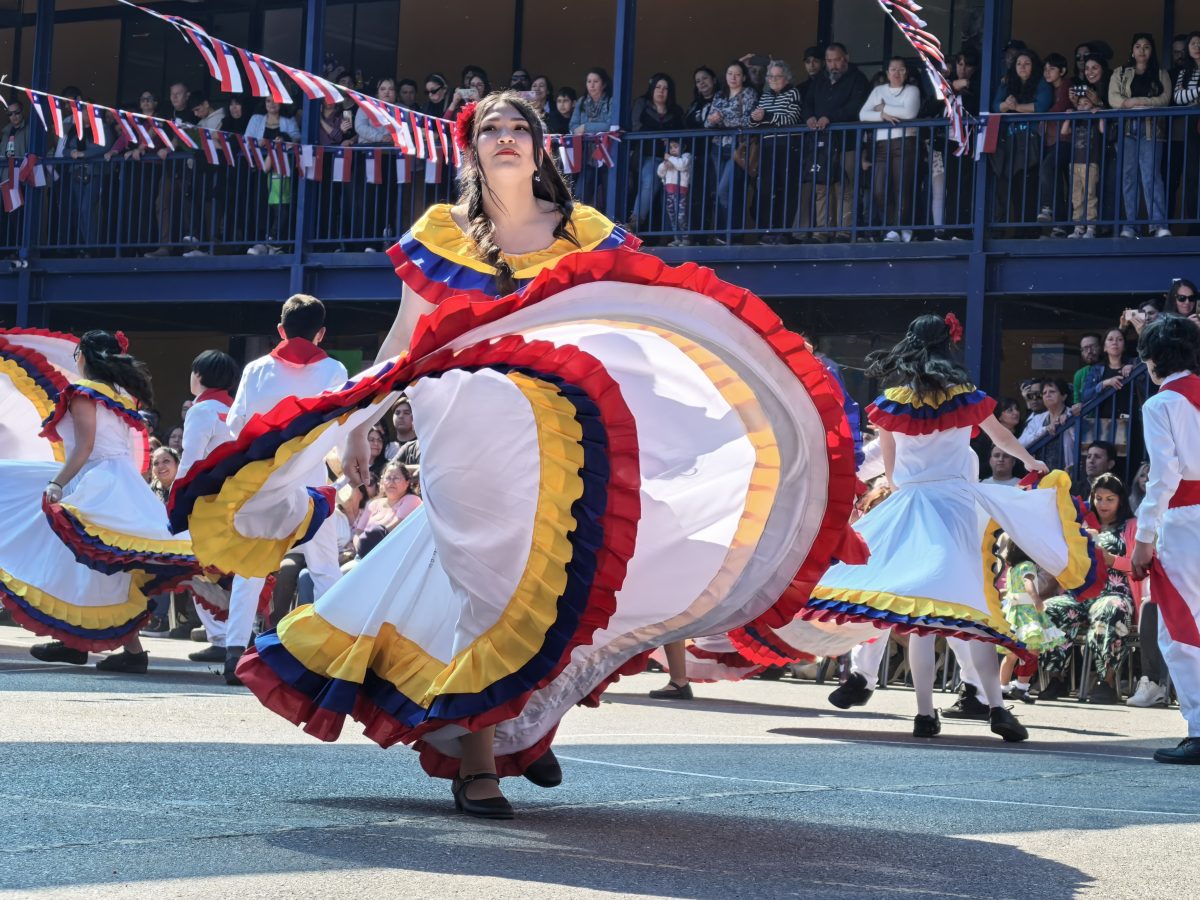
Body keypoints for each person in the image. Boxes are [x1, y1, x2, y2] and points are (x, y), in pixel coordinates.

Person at [171, 91, 859, 819]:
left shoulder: (587, 231)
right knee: (488, 580)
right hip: (462, 431)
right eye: (491, 129)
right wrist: (356, 423)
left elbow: (641, 319)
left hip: (558, 437)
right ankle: (479, 760)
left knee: (563, 575)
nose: (506, 138)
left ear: (540, 147)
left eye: (519, 128)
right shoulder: (441, 231)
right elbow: (407, 337)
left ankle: (516, 723)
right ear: (472, 151)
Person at [797, 314, 1101, 741]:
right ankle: (997, 708)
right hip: (957, 506)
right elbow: (1001, 437)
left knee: (922, 617)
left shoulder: (891, 403)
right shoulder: (964, 398)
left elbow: (892, 469)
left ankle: (924, 714)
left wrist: (903, 484)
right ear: (947, 347)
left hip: (911, 506)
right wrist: (1031, 462)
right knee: (970, 606)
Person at [0, 330, 199, 672]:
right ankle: (96, 646)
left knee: (93, 565)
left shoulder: (84, 392)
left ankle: (100, 646)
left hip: (96, 481)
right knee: (98, 568)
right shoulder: (120, 395)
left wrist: (56, 482)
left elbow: (85, 447)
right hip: (120, 483)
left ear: (83, 356)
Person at [218, 295, 348, 686]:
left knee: (251, 567)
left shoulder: (257, 369)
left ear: (280, 329)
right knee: (325, 568)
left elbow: (235, 427)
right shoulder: (334, 369)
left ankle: (233, 653)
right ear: (321, 333)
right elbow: (340, 426)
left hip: (264, 483)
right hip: (312, 482)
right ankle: (337, 656)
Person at [1130, 315, 1200, 762]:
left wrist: (1144, 534)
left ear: (1153, 361)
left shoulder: (1161, 404)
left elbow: (1165, 475)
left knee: (1180, 628)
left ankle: (1199, 728)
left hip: (1183, 519)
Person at [1041, 474, 1138, 703]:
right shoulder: (1081, 525)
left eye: (1109, 499)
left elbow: (1141, 566)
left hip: (1115, 592)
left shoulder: (1132, 526)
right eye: (1099, 498)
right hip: (1082, 592)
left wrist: (1112, 560)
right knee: (1051, 608)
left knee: (1110, 609)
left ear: (1120, 501)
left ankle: (1106, 680)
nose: (1103, 504)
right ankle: (1056, 678)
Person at [176, 349, 239, 662]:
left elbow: (191, 459)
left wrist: (177, 496)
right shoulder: (236, 409)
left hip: (204, 500)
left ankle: (220, 636)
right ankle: (234, 632)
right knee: (229, 569)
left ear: (198, 376)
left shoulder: (201, 411)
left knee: (196, 567)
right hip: (235, 498)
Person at [802, 43, 870, 242]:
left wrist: (830, 117)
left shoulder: (858, 79)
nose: (833, 65)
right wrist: (809, 117)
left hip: (847, 143)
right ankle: (822, 231)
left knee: (844, 188)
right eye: (829, 61)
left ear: (846, 58)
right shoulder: (820, 80)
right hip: (822, 144)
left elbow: (857, 107)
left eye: (837, 60)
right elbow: (807, 104)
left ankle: (843, 230)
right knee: (821, 188)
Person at [1109, 33, 1173, 239]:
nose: (1142, 50)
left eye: (1146, 47)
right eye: (1138, 46)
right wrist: (1134, 103)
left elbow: (1164, 98)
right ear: (1132, 50)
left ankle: (1158, 225)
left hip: (1151, 129)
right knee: (1128, 177)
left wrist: (1136, 101)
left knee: (1151, 176)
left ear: (1151, 51)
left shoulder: (1161, 73)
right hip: (1126, 130)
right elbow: (1113, 98)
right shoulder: (1120, 73)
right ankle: (1131, 225)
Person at [997, 535, 1066, 703]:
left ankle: (1002, 687)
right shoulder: (1028, 566)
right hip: (1027, 615)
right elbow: (1029, 584)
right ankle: (1021, 686)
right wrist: (1036, 599)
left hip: (1013, 613)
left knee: (1011, 654)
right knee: (1032, 652)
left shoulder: (1012, 569)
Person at [859, 56, 921, 243]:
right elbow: (863, 115)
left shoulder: (912, 90)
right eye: (893, 69)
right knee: (879, 189)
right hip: (882, 145)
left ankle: (902, 228)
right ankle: (895, 227)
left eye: (901, 70)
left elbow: (909, 113)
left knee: (902, 187)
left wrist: (883, 110)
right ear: (887, 73)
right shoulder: (879, 90)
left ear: (906, 72)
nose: (897, 73)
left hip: (905, 142)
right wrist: (883, 115)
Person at [992, 50, 1052, 232]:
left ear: (1033, 66)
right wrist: (1006, 104)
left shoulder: (1041, 83)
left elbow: (1041, 106)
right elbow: (995, 106)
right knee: (1016, 186)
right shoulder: (1008, 83)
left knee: (1031, 186)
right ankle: (1019, 229)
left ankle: (1031, 231)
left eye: (1027, 63)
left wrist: (1016, 107)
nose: (1023, 67)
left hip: (1032, 142)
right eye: (1019, 64)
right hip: (1012, 143)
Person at [704, 60, 758, 239]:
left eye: (737, 74)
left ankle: (732, 234)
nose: (733, 77)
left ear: (743, 77)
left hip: (738, 149)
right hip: (717, 148)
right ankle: (722, 234)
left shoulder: (749, 93)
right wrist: (715, 120)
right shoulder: (719, 95)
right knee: (719, 192)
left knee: (725, 190)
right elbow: (707, 123)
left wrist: (722, 118)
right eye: (730, 74)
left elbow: (748, 121)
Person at [752, 60, 804, 243]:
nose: (773, 80)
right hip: (767, 147)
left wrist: (766, 117)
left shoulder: (793, 93)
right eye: (770, 76)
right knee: (766, 189)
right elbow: (753, 123)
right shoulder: (764, 96)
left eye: (777, 76)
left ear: (786, 78)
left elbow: (791, 118)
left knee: (785, 189)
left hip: (786, 146)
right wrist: (755, 118)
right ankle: (767, 230)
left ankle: (784, 231)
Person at [628, 73, 684, 232]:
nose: (661, 91)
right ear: (652, 89)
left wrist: (671, 143)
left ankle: (670, 233)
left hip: (670, 160)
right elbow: (636, 128)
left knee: (671, 192)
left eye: (666, 88)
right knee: (650, 179)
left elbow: (680, 136)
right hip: (647, 156)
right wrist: (661, 139)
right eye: (658, 87)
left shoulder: (676, 111)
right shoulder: (642, 104)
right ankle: (635, 222)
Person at [1063, 54, 1110, 239]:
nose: (1083, 106)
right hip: (1075, 163)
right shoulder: (1076, 120)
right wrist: (1069, 115)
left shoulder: (1093, 118)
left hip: (1091, 163)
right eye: (1080, 103)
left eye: (1086, 103)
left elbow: (1103, 130)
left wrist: (1098, 112)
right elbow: (1063, 132)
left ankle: (1090, 227)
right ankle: (1077, 227)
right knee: (1076, 197)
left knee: (1090, 195)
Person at [569, 68, 614, 207]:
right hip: (587, 156)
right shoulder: (582, 102)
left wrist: (586, 127)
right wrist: (581, 128)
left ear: (604, 84)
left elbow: (610, 125)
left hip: (608, 156)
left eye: (596, 81)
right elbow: (573, 126)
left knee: (609, 196)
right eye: (589, 82)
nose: (592, 85)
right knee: (580, 195)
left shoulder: (611, 101)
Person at [1018, 378, 1076, 472]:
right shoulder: (1037, 420)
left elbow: (1080, 442)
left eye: (1052, 392)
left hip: (1067, 473)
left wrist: (1069, 422)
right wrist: (1044, 430)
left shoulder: (1072, 415)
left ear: (1064, 396)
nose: (1047, 395)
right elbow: (1021, 444)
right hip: (1041, 473)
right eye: (1044, 393)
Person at [1175, 33, 1200, 235]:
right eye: (1193, 43)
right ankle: (1194, 222)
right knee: (1192, 174)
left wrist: (1192, 96)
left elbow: (1186, 96)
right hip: (1193, 126)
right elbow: (1178, 98)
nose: (1197, 46)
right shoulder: (1185, 73)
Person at [657, 137, 692, 246]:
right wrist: (665, 164)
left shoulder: (686, 156)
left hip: (681, 191)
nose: (673, 149)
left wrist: (670, 159)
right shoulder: (669, 160)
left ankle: (686, 238)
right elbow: (660, 173)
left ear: (683, 147)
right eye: (671, 147)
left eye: (676, 147)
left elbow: (682, 165)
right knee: (672, 215)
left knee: (681, 215)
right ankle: (677, 238)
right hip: (669, 191)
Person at [1074, 333, 1102, 400]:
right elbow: (1076, 400)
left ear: (1101, 347)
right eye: (1085, 348)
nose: (1089, 351)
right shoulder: (1079, 374)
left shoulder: (1109, 367)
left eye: (1093, 346)